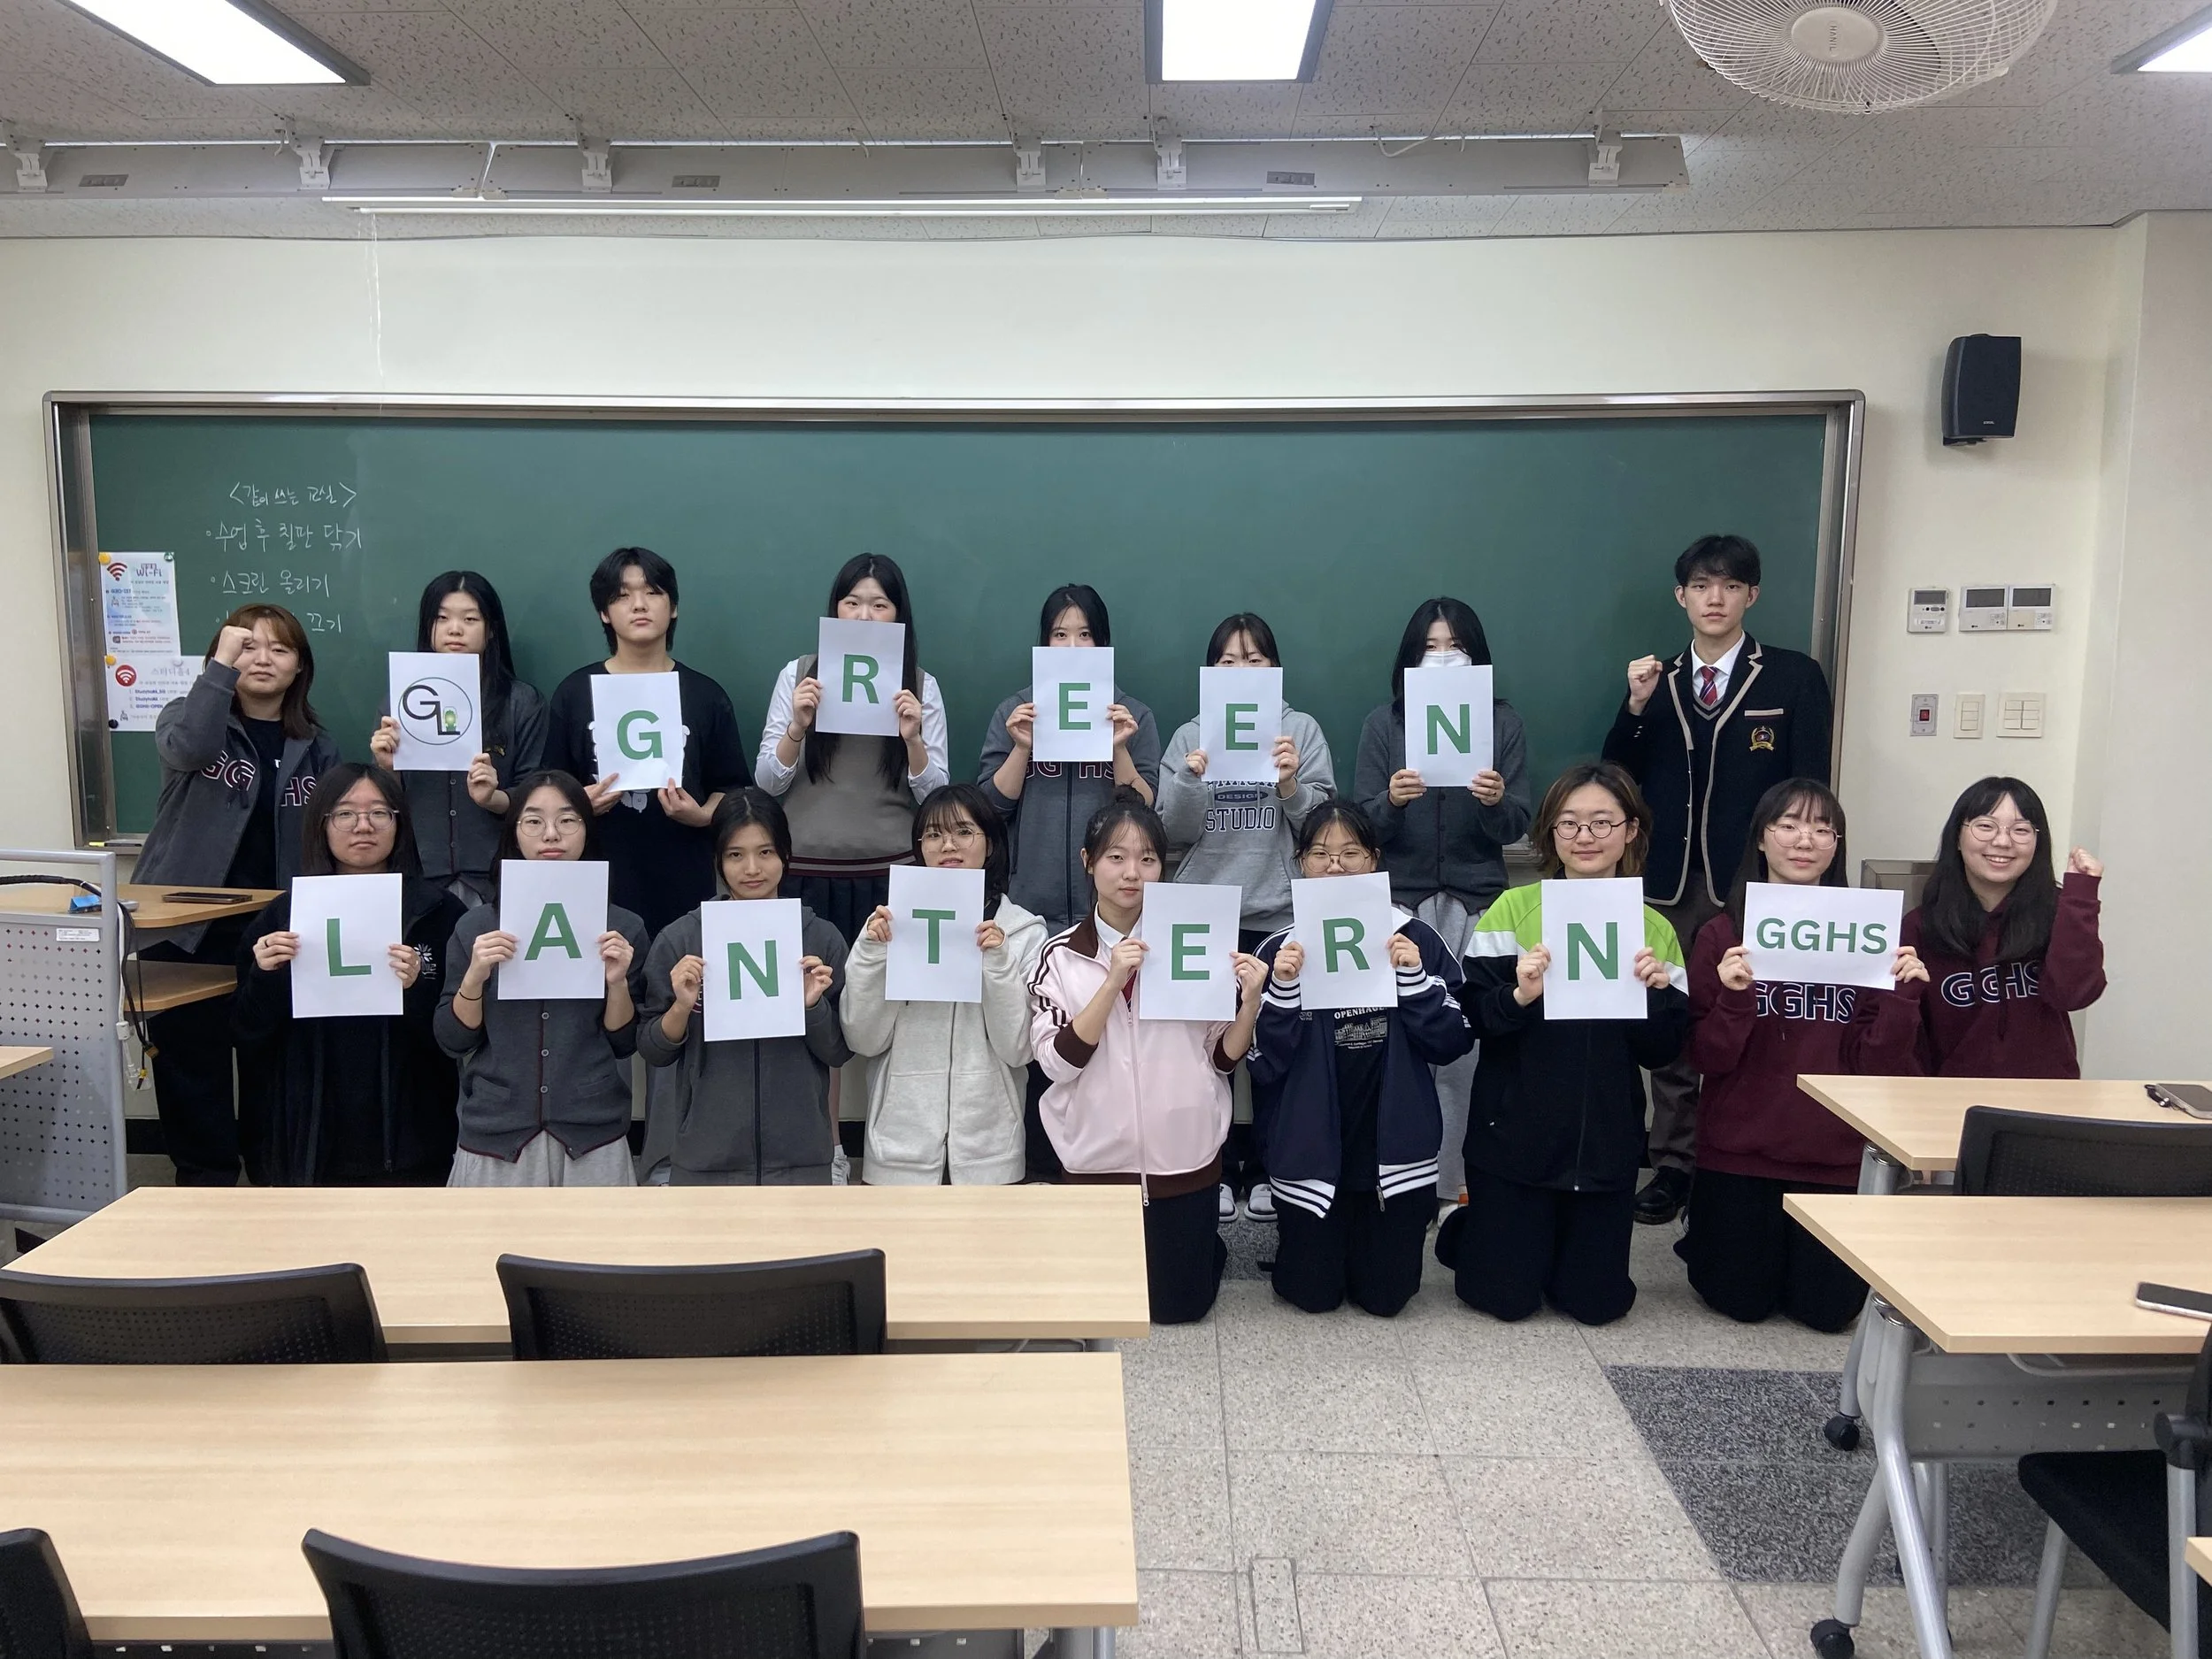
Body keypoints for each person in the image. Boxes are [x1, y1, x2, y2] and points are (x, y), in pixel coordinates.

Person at [1601, 534, 1833, 1226]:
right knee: (1672, 1023)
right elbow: (1618, 778)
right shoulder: (1658, 679)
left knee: (1755, 1020)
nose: (1714, 598)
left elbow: (1812, 787)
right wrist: (1635, 706)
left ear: (1751, 595)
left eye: (1730, 586)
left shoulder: (1794, 676)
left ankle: (1733, 1158)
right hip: (1667, 881)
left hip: (1753, 885)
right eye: (1702, 585)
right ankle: (1673, 1161)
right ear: (1681, 596)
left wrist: (1807, 874)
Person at [1443, 762, 1689, 1326]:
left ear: (1630, 831)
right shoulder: (1512, 910)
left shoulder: (1654, 928)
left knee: (1597, 1305)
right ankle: (1471, 1228)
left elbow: (1663, 1050)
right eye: (1570, 823)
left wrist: (1654, 994)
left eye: (1603, 823)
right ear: (1550, 833)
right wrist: (1520, 994)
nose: (1585, 837)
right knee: (1504, 1300)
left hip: (1601, 1147)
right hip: (1513, 1143)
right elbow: (1475, 1019)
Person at [1677, 780, 1924, 1331]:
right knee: (1738, 1301)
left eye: (1822, 828)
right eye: (1787, 825)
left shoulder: (1869, 935)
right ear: (1761, 840)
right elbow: (1704, 1057)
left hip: (1832, 1157)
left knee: (1827, 1312)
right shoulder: (1722, 934)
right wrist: (1735, 999)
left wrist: (1903, 999)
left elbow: (1876, 1067)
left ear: (1838, 845)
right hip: (1738, 1153)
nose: (1804, 840)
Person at [1026, 794, 1267, 1325]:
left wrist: (1248, 1004)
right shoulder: (1060, 955)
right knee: (1103, 1310)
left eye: (1148, 860)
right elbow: (1056, 1065)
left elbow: (1222, 1061)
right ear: (1088, 863)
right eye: (1115, 857)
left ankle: (1204, 1246)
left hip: (1183, 1157)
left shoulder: (1195, 944)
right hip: (1096, 1161)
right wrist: (1112, 980)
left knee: (1179, 1308)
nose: (1132, 874)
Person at [133, 603, 342, 1186]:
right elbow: (190, 750)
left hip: (272, 934)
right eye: (247, 647)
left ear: (300, 666)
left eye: (279, 649)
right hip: (183, 932)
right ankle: (205, 1190)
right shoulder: (188, 719)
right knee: (192, 1074)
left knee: (269, 1069)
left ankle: (270, 1192)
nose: (262, 659)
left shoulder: (318, 747)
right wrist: (218, 668)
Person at [1248, 801, 1473, 1317]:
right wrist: (1282, 990)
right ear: (1299, 862)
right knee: (1313, 1296)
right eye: (1321, 853)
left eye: (1351, 853)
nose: (1335, 865)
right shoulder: (1280, 949)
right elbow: (1261, 1065)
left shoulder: (1415, 937)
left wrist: (1414, 982)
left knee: (1386, 1299)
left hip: (1394, 1154)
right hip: (1310, 1155)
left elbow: (1454, 1040)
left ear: (1374, 862)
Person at [1352, 596, 1530, 1211]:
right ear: (1410, 657)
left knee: (1466, 1051)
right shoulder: (1385, 723)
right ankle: (1397, 1182)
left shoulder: (1500, 723)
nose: (1443, 656)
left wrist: (1493, 800)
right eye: (1430, 646)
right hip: (1400, 904)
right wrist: (1392, 801)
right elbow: (1360, 825)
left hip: (1478, 902)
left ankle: (1454, 1184)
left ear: (1475, 656)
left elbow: (1517, 824)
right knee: (1395, 1044)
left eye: (1455, 646)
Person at [979, 584, 1162, 1179]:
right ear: (1044, 641)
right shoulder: (1017, 710)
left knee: (1110, 1046)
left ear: (1102, 643)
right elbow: (987, 811)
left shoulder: (1131, 713)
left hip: (1108, 915)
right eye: (1060, 633)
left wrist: (1120, 752)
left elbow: (1148, 812)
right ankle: (1042, 1168)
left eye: (1085, 634)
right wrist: (1020, 749)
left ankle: (1108, 1165)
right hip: (1031, 913)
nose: (1073, 644)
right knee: (1042, 1049)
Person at [1158, 611, 1335, 1224]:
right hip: (1203, 911)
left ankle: (1265, 1168)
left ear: (1274, 667)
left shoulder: (1301, 730)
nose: (1241, 670)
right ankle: (1209, 1165)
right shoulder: (1189, 734)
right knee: (1201, 1049)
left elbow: (1323, 833)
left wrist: (1289, 784)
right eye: (1228, 660)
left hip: (1278, 912)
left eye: (1254, 658)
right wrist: (1189, 776)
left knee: (1274, 1050)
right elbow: (1171, 833)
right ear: (1211, 671)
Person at [233, 764, 465, 1187]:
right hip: (311, 1135)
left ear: (400, 824)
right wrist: (265, 977)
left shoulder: (439, 911)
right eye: (345, 814)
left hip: (411, 1132)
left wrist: (417, 988)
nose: (364, 826)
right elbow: (247, 1032)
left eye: (380, 813)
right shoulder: (285, 914)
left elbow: (458, 1034)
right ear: (322, 823)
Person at [434, 772, 649, 1187]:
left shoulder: (622, 928)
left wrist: (618, 983)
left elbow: (624, 1044)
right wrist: (475, 978)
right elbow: (452, 1040)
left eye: (568, 820)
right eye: (533, 821)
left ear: (588, 829)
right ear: (514, 833)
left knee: (598, 1253)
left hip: (592, 1135)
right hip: (497, 1137)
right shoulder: (476, 927)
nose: (551, 834)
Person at [636, 789, 850, 1185]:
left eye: (766, 852)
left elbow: (839, 1050)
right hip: (705, 1159)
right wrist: (680, 1009)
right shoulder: (681, 939)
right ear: (718, 860)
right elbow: (652, 1049)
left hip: (801, 1160)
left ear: (786, 855)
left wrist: (812, 1007)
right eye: (736, 855)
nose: (752, 868)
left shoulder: (820, 938)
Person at [541, 547, 750, 941]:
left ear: (673, 607)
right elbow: (548, 787)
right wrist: (578, 804)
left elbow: (735, 787)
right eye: (622, 595)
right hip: (597, 873)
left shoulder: (705, 694)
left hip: (685, 873)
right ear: (604, 612)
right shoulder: (573, 692)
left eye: (653, 592)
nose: (639, 604)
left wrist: (704, 815)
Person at [842, 785, 1045, 1185]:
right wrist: (872, 954)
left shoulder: (1023, 931)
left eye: (964, 832)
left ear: (989, 843)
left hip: (991, 1156)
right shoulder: (888, 924)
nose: (948, 845)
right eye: (933, 834)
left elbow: (1019, 1048)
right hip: (898, 1154)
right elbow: (862, 1040)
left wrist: (997, 962)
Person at [754, 554, 950, 945]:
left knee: (876, 999)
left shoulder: (921, 686)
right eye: (852, 603)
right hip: (803, 871)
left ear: (898, 616)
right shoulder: (797, 675)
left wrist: (912, 739)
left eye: (879, 605)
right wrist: (797, 727)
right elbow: (766, 784)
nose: (864, 617)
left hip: (890, 876)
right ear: (836, 609)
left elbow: (936, 797)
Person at [1901, 776, 2104, 1077]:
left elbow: (2073, 996)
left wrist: (2081, 894)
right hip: (1950, 1102)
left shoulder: (2061, 909)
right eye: (1985, 826)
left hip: (2047, 1102)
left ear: (2038, 842)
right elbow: (1907, 1039)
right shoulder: (1920, 925)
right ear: (1958, 836)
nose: (2003, 841)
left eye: (2021, 830)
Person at [370, 572, 547, 909]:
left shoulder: (521, 702)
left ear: (491, 629)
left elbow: (535, 793)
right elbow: (382, 804)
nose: (455, 629)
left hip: (496, 876)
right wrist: (387, 769)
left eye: (470, 619)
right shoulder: (399, 701)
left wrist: (493, 798)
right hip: (418, 873)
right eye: (442, 618)